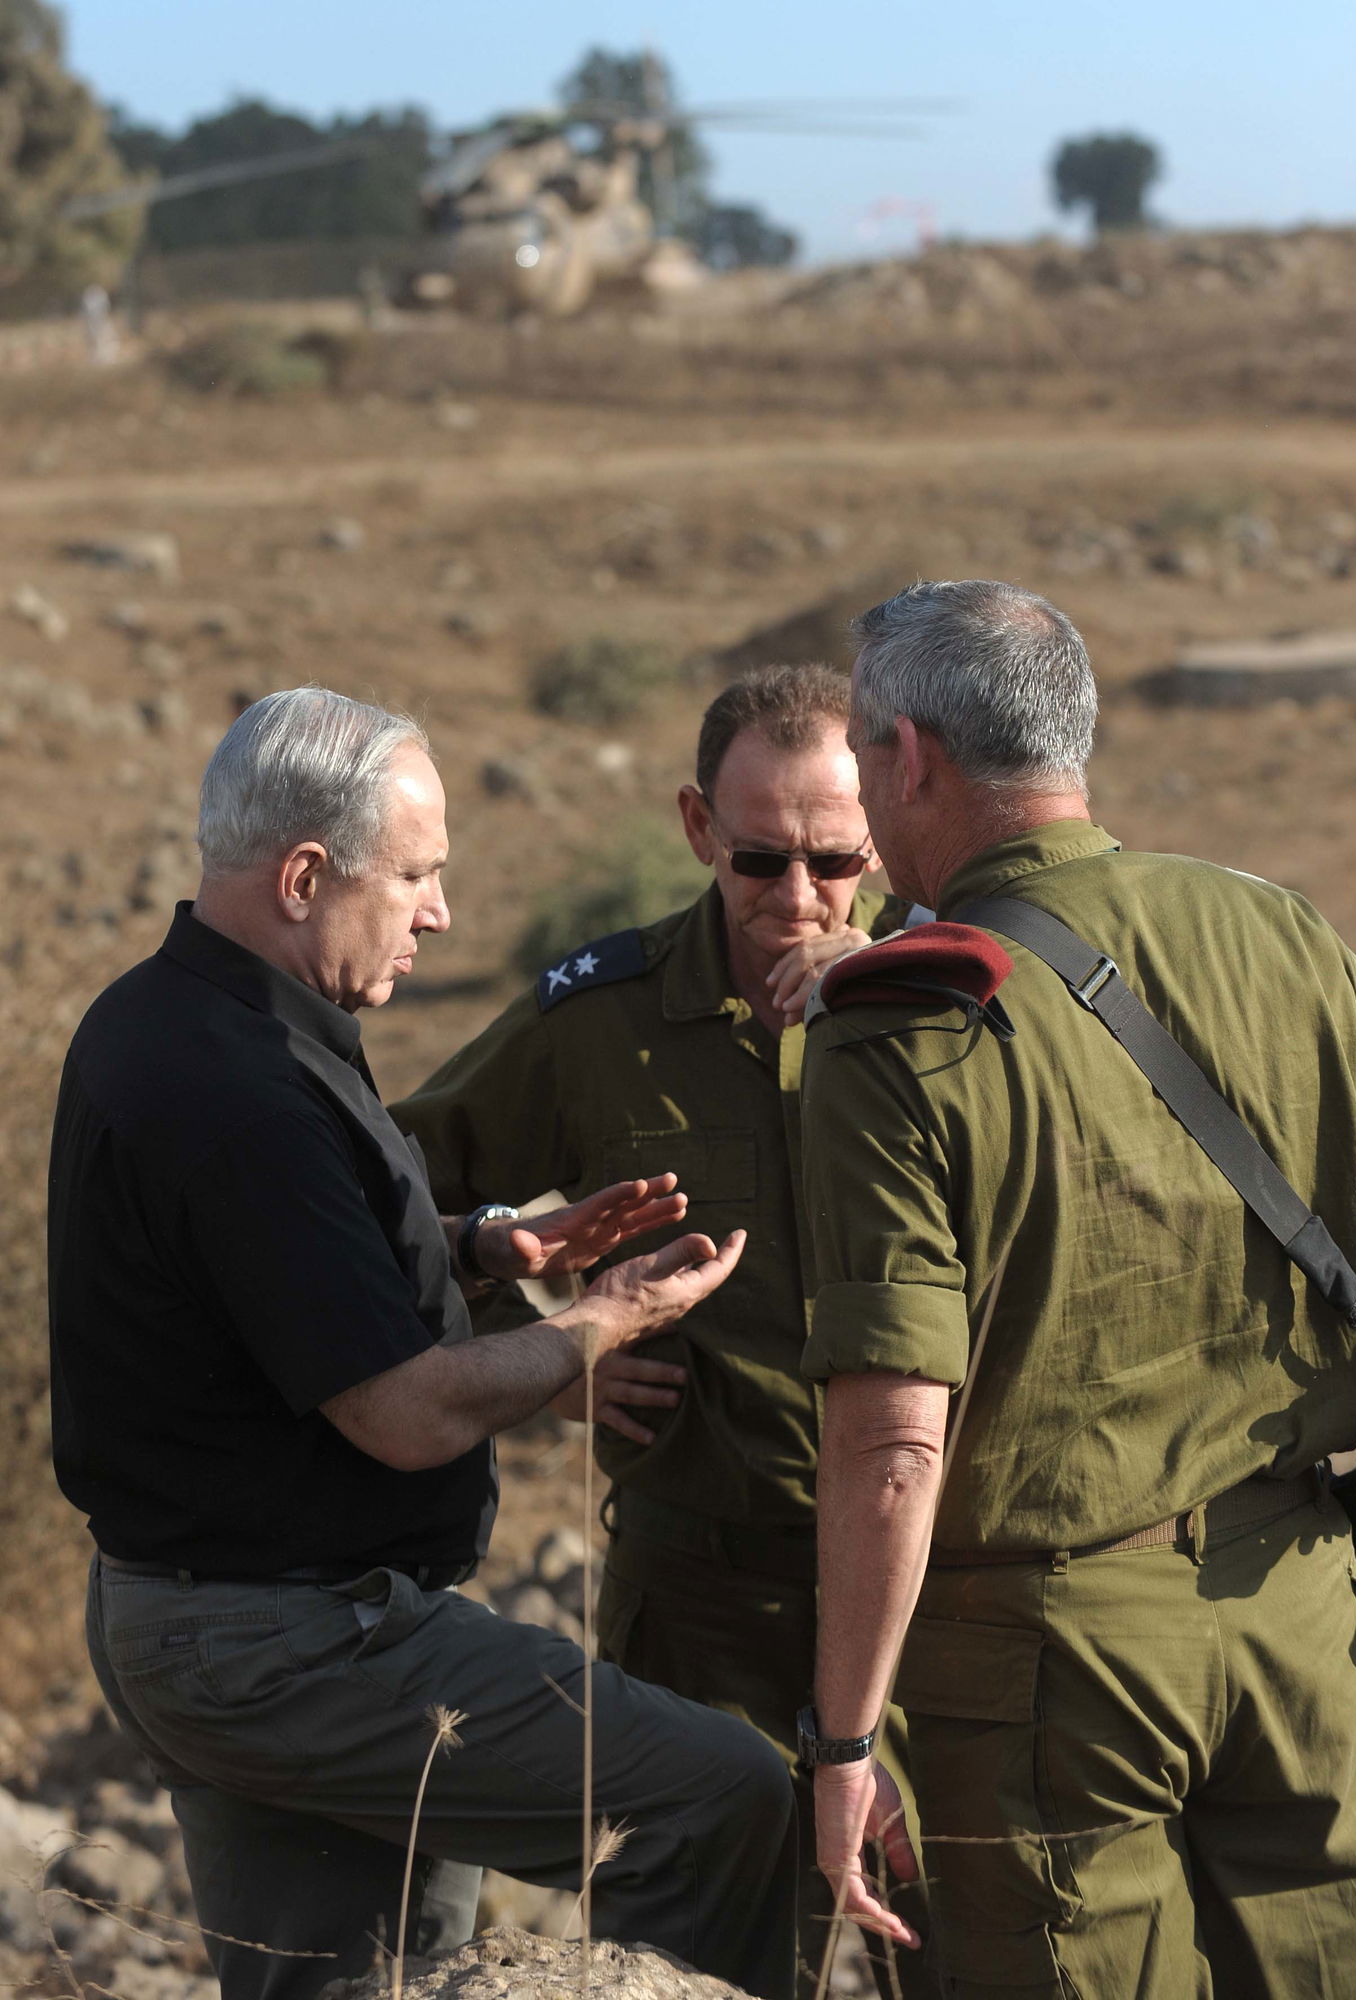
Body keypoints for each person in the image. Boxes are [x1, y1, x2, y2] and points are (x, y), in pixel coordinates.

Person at [48, 687, 798, 2000]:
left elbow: (271, 1280)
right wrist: (603, 1320)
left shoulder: (168, 1020)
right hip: (289, 1640)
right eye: (417, 877)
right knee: (723, 1799)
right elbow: (404, 1413)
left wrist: (488, 1248)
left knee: (347, 1979)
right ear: (301, 876)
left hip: (212, 1623)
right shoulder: (247, 1096)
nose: (441, 914)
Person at [798, 579, 1356, 1998]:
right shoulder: (1285, 937)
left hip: (1052, 1657)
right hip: (1300, 1618)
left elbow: (894, 1439)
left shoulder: (905, 1027)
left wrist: (839, 1744)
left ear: (912, 760)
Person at [393, 662, 932, 1993]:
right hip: (705, 1608)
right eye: (759, 860)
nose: (798, 902)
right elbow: (376, 1203)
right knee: (699, 1972)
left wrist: (883, 1003)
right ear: (699, 830)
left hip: (942, 1602)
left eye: (834, 861)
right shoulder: (605, 1023)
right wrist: (543, 1356)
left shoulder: (952, 1005)